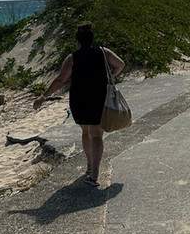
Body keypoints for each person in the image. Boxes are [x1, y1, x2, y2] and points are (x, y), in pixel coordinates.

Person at [33, 22, 125, 186]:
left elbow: (61, 79)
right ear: (92, 39)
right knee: (97, 134)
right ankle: (95, 173)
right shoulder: (104, 52)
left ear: (78, 41)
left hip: (80, 98)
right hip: (100, 96)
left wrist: (43, 96)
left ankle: (89, 166)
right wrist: (111, 75)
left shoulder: (72, 58)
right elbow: (121, 64)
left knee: (85, 132)